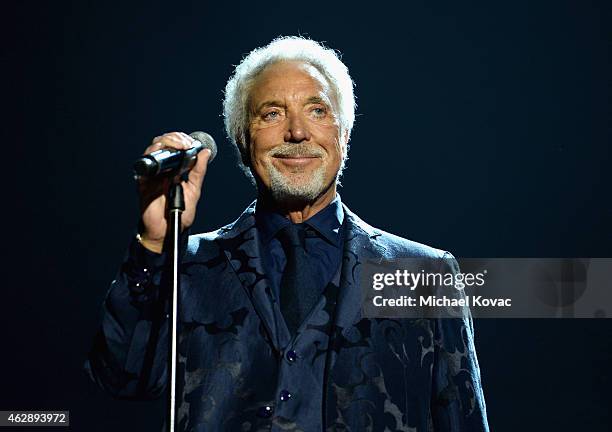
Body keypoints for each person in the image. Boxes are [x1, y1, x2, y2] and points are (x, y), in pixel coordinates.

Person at [85, 36, 489, 431]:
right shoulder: (184, 264)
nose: (297, 132)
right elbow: (122, 379)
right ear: (243, 141)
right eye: (272, 114)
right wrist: (156, 244)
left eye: (316, 110)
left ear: (343, 135)